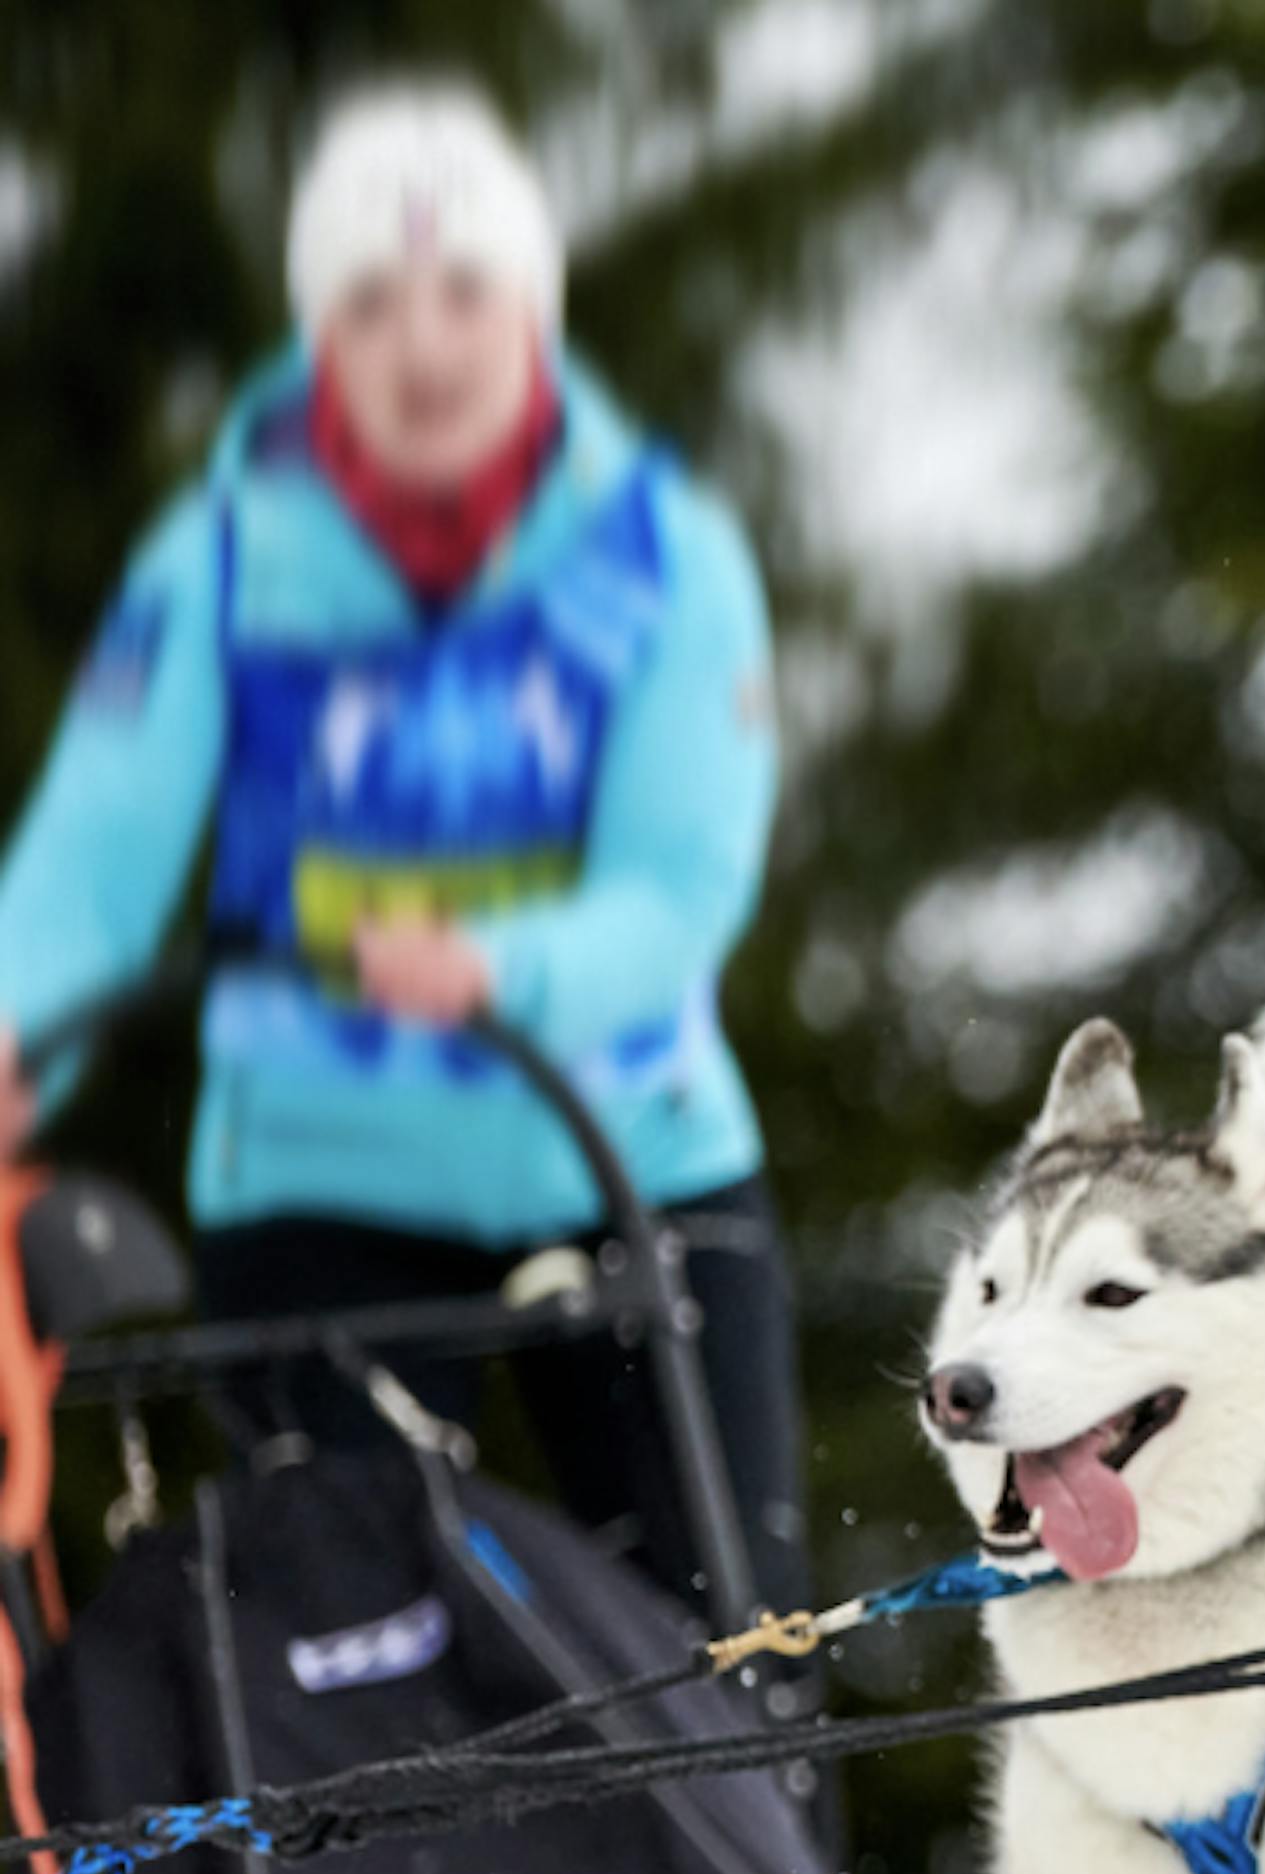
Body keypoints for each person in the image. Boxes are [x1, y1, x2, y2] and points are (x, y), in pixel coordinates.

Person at [0, 81, 812, 1637]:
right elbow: (96, 851)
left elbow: (684, 878)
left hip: (632, 1154)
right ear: (321, 343)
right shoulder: (220, 557)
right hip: (319, 1171)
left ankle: (766, 1869)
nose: (424, 341)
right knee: (349, 1662)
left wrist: (503, 972)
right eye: (372, 300)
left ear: (534, 312)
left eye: (465, 291)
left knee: (733, 1648)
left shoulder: (665, 553)